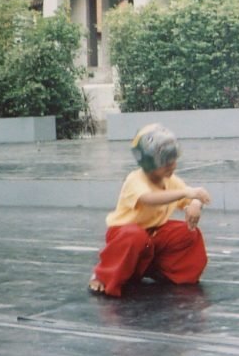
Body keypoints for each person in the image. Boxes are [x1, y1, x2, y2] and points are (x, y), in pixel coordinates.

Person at [88, 123, 210, 297]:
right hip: (124, 236)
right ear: (148, 162)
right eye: (165, 162)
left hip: (152, 236)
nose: (172, 165)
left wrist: (195, 204)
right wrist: (186, 193)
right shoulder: (135, 180)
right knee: (135, 236)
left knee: (188, 233)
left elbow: (191, 198)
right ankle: (103, 275)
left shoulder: (171, 180)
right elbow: (149, 198)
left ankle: (158, 270)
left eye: (174, 159)